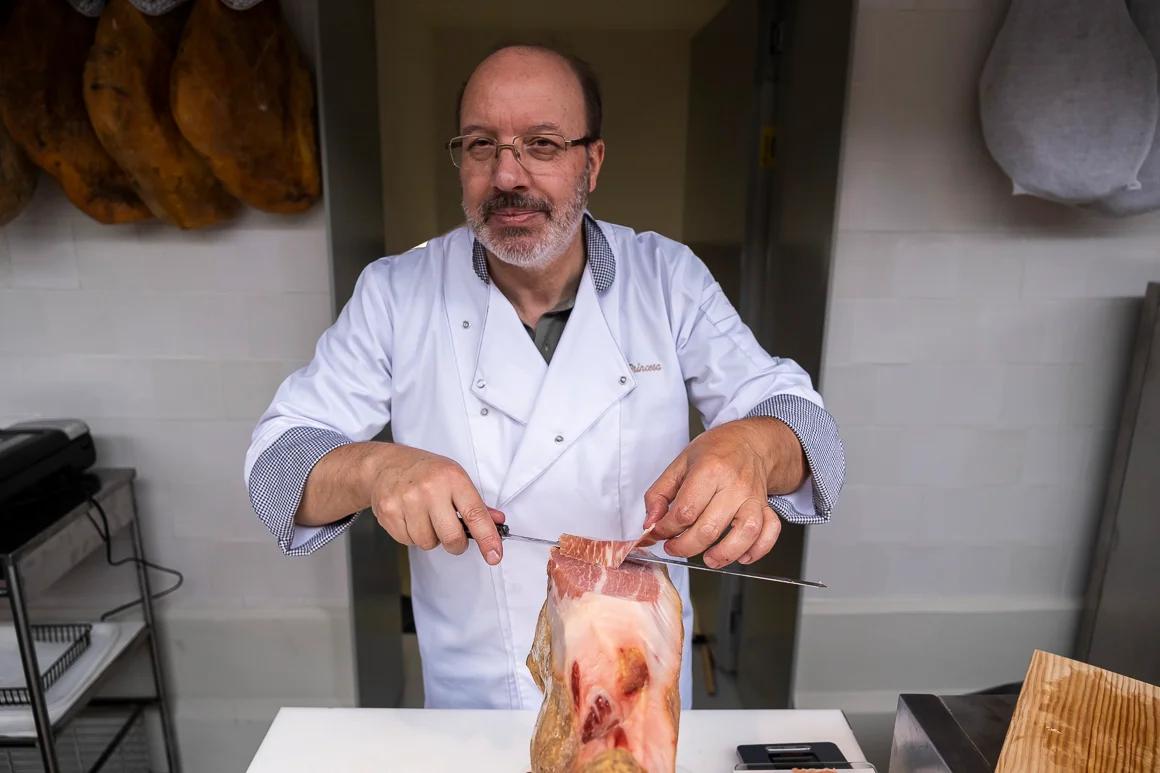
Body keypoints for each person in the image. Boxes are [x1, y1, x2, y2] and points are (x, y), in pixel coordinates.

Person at [244, 44, 844, 710]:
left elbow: (805, 426)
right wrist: (374, 470)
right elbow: (277, 468)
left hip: (638, 703)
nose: (507, 175)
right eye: (481, 145)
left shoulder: (666, 279)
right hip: (476, 711)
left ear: (592, 160)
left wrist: (754, 450)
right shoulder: (397, 292)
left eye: (543, 143)